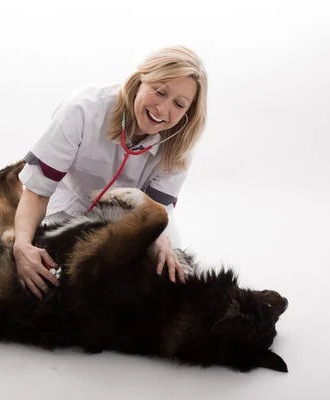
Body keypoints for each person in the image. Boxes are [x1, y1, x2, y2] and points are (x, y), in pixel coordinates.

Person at [13, 45, 208, 299]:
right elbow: (37, 192)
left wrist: (158, 238)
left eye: (179, 104)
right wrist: (21, 246)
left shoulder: (180, 146)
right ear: (141, 79)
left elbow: (155, 210)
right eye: (159, 92)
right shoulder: (82, 110)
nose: (162, 110)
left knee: (167, 283)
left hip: (134, 222)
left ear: (187, 112)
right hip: (67, 214)